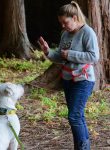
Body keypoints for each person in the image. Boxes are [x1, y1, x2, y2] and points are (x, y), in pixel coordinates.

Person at [38, 1, 99, 150]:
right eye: (61, 23)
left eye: (65, 22)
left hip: (83, 80)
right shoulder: (65, 34)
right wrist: (48, 52)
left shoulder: (87, 32)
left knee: (74, 116)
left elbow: (94, 57)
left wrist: (70, 54)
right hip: (67, 80)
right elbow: (60, 56)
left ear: (74, 17)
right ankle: (83, 147)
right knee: (78, 116)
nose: (63, 26)